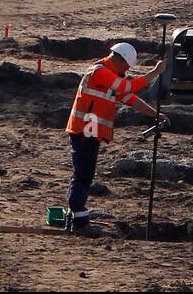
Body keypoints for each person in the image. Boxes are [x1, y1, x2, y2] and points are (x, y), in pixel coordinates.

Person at [64, 42, 167, 235]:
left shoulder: (113, 76)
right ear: (119, 59)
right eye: (127, 66)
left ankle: (75, 217)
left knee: (84, 174)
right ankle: (79, 222)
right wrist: (154, 73)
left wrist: (155, 114)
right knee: (83, 175)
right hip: (85, 129)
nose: (127, 70)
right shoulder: (100, 72)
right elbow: (127, 86)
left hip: (91, 129)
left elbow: (129, 97)